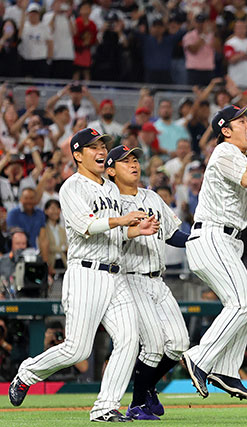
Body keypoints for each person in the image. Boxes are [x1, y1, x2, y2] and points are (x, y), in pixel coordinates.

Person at [8, 127, 159, 422]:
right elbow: (86, 226)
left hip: (116, 274)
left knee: (129, 339)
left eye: (102, 145)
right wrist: (121, 219)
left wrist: (133, 230)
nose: (101, 150)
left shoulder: (111, 188)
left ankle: (105, 407)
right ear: (77, 155)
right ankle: (27, 372)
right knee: (77, 350)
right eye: (93, 147)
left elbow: (114, 232)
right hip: (86, 273)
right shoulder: (71, 187)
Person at [181, 105, 247, 400]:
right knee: (242, 305)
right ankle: (200, 358)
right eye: (241, 120)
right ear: (226, 131)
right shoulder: (224, 151)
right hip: (212, 235)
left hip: (229, 242)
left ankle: (227, 370)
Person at [105, 145, 190, 420]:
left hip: (157, 279)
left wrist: (200, 238)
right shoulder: (109, 202)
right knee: (152, 345)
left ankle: (148, 387)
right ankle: (137, 404)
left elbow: (173, 234)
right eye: (124, 161)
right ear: (110, 170)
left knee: (179, 343)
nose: (133, 164)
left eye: (134, 160)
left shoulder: (151, 196)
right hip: (130, 278)